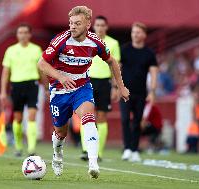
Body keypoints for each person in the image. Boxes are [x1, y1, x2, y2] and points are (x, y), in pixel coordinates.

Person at [38, 6, 129, 179]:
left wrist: (121, 86)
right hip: (59, 90)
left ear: (88, 24)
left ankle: (93, 163)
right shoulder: (61, 40)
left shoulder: (96, 43)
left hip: (82, 87)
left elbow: (112, 62)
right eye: (71, 23)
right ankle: (57, 155)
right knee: (61, 132)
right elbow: (42, 64)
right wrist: (61, 77)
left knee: (88, 117)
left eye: (77, 23)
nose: (72, 27)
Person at [80, 15, 121, 161]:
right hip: (87, 81)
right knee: (86, 116)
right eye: (97, 25)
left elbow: (115, 65)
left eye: (103, 25)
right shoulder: (85, 40)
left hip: (104, 83)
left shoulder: (113, 43)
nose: (100, 27)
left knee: (102, 117)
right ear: (93, 26)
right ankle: (86, 150)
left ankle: (99, 153)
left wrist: (115, 86)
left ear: (106, 27)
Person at [0, 23, 42, 157]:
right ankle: (18, 146)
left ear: (30, 34)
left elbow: (41, 70)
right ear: (17, 35)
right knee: (18, 118)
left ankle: (31, 149)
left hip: (32, 85)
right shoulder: (10, 50)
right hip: (16, 85)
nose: (23, 35)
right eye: (20, 32)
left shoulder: (36, 49)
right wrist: (2, 92)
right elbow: (6, 72)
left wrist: (46, 86)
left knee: (32, 115)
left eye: (25, 32)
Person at [120, 22, 158, 162]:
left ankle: (135, 150)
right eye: (133, 32)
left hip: (141, 93)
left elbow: (154, 73)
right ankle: (127, 148)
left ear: (144, 35)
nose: (135, 34)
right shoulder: (124, 49)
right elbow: (117, 69)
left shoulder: (149, 53)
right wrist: (117, 87)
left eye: (138, 32)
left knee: (137, 122)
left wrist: (153, 91)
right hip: (125, 92)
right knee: (124, 120)